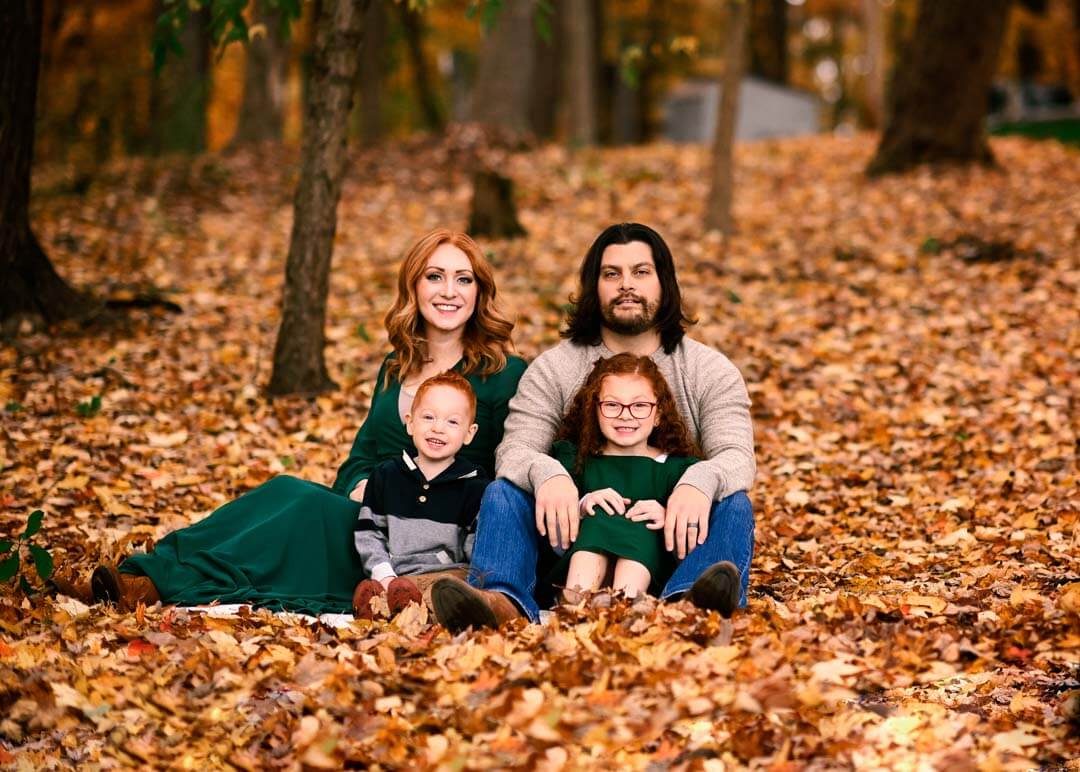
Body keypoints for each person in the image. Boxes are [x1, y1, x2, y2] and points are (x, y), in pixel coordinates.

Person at [85, 229, 526, 615]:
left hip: (428, 538)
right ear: (414, 287)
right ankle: (143, 578)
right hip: (372, 512)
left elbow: (513, 467)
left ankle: (153, 580)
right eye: (435, 276)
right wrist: (360, 484)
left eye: (463, 279)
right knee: (281, 492)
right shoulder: (396, 367)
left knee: (295, 503)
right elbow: (362, 456)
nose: (449, 291)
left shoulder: (502, 373)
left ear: (478, 292)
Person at [431, 222, 756, 631]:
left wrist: (698, 480)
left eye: (641, 272)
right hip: (571, 536)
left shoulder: (710, 371)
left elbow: (738, 458)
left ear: (664, 283)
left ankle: (689, 605)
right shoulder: (555, 368)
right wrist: (549, 474)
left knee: (735, 503)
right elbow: (514, 451)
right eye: (611, 274)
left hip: (670, 534)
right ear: (593, 285)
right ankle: (502, 601)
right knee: (504, 492)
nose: (626, 285)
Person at [549, 353, 700, 603]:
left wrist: (668, 515)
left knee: (640, 525)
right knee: (600, 517)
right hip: (580, 563)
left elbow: (690, 538)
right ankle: (574, 601)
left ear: (659, 414)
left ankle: (628, 604)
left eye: (640, 406)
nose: (625, 415)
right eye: (612, 405)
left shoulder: (677, 470)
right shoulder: (574, 462)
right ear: (594, 409)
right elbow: (551, 533)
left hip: (649, 572)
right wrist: (582, 505)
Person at [351, 372, 489, 619]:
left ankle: (407, 608)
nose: (438, 428)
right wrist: (382, 572)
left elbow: (476, 545)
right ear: (410, 422)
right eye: (428, 417)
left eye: (452, 422)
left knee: (454, 586)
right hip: (396, 573)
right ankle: (380, 605)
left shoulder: (474, 484)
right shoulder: (386, 475)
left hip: (448, 572)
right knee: (386, 587)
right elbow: (369, 532)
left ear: (470, 433)